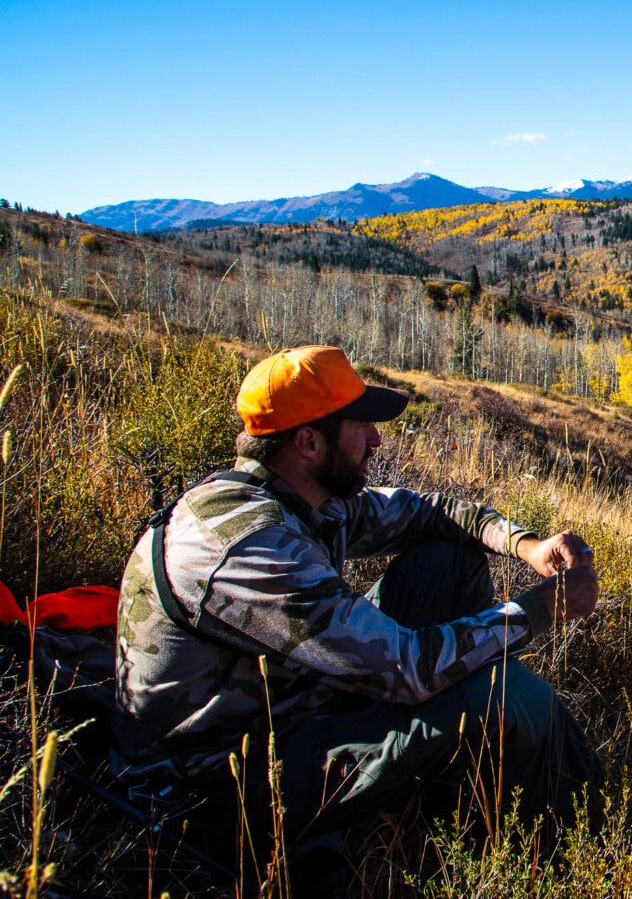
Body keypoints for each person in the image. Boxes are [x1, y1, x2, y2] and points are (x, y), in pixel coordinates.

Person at [112, 345, 600, 870]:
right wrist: (541, 609)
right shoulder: (247, 548)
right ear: (308, 442)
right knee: (507, 696)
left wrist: (527, 546)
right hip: (212, 786)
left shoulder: (305, 495)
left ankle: (476, 768)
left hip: (290, 704)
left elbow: (427, 513)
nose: (375, 439)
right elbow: (408, 666)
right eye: (360, 425)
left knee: (447, 561)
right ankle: (583, 853)